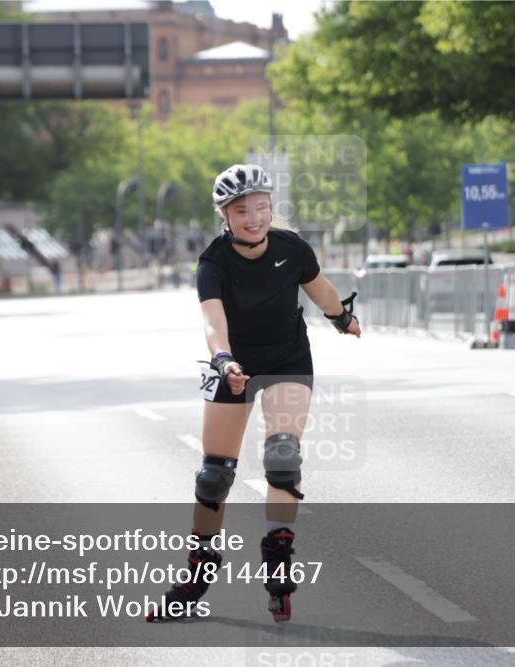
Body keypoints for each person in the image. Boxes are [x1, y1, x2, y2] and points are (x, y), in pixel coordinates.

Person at [147, 164, 361, 624]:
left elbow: (319, 288)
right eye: (242, 210)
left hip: (287, 360)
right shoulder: (213, 262)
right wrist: (224, 360)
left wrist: (340, 317)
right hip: (234, 364)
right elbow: (211, 320)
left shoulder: (291, 248)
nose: (254, 218)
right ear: (225, 215)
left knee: (283, 457)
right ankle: (198, 571)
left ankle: (278, 560)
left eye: (261, 208)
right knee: (213, 477)